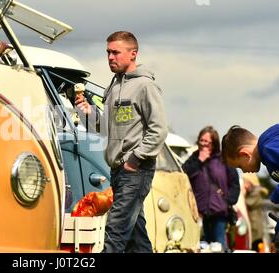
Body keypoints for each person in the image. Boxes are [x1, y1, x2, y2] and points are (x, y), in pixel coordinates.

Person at [75, 31, 168, 253]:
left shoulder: (146, 86)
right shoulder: (113, 86)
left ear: (133, 54)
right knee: (136, 238)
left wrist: (135, 159)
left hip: (136, 170)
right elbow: (104, 127)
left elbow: (159, 129)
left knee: (115, 231)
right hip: (118, 169)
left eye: (115, 52)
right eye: (108, 52)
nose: (110, 57)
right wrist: (88, 113)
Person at [182, 126, 240, 252]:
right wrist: (199, 160)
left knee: (219, 246)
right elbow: (183, 175)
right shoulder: (194, 158)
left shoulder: (223, 160)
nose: (203, 144)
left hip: (219, 213)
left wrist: (228, 201)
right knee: (198, 246)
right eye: (201, 141)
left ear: (214, 144)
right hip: (198, 213)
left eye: (206, 142)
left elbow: (234, 183)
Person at [221, 124, 279, 244]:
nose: (244, 171)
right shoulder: (270, 141)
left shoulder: (269, 150)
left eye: (240, 166)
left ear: (244, 154)